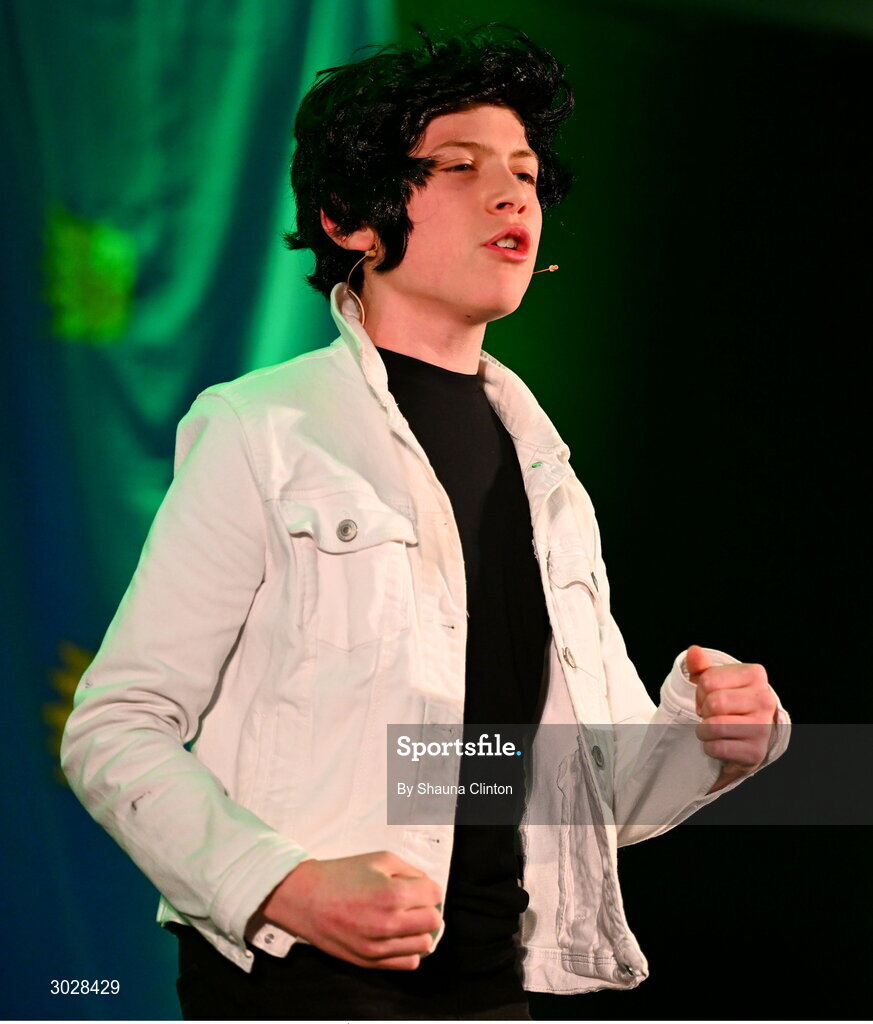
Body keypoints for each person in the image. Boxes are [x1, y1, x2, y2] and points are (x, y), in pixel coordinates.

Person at [60, 23, 791, 1022]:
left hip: (493, 989)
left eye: (526, 173)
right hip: (303, 988)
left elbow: (579, 794)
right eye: (461, 166)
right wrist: (285, 887)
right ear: (351, 219)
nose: (513, 195)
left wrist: (711, 742)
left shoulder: (547, 472)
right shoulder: (261, 429)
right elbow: (115, 727)